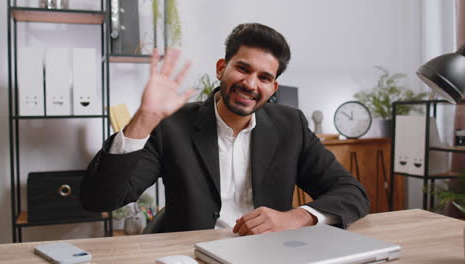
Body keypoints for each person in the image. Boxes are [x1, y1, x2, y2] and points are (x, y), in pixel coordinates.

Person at [81, 23, 369, 236]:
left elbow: (351, 192)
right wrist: (143, 119)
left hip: (267, 254)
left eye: (264, 77)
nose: (251, 84)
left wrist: (295, 218)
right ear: (221, 68)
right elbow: (99, 199)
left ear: (273, 87)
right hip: (193, 254)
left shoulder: (291, 125)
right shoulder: (171, 125)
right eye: (243, 69)